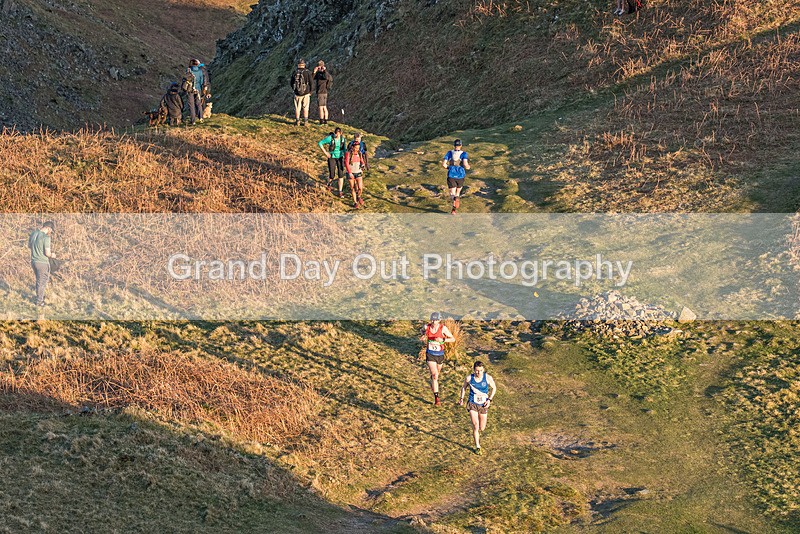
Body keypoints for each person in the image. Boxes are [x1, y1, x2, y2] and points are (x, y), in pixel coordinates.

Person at [459, 361, 496, 454]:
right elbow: (464, 387)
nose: (478, 373)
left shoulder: (487, 378)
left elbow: (494, 388)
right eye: (476, 371)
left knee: (482, 427)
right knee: (476, 425)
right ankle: (477, 446)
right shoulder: (469, 378)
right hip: (472, 403)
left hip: (483, 404)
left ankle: (478, 433)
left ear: (483, 370)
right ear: (474, 370)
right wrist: (461, 398)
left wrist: (489, 400)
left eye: (480, 371)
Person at [420, 312, 455, 406]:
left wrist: (442, 340)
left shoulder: (443, 328)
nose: (433, 321)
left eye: (435, 320)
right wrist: (423, 336)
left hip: (440, 354)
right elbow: (422, 331)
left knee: (437, 375)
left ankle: (433, 380)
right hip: (430, 354)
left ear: (439, 320)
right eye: (432, 319)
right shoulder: (426, 327)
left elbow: (453, 339)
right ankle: (437, 398)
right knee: (435, 375)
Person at [28, 221, 56, 307]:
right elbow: (47, 253)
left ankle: (40, 297)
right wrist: (52, 255)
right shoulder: (46, 237)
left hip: (34, 261)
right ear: (48, 228)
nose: (50, 232)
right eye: (51, 230)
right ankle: (39, 302)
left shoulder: (33, 234)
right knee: (42, 282)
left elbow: (29, 246)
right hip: (42, 263)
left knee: (38, 281)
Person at [442, 139, 470, 214]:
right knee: (458, 192)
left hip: (451, 175)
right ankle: (454, 209)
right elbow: (465, 164)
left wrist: (449, 167)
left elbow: (443, 164)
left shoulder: (449, 153)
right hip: (461, 176)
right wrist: (468, 167)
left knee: (452, 193)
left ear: (454, 145)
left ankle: (454, 199)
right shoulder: (464, 154)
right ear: (461, 145)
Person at [318, 127, 348, 198]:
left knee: (340, 174)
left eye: (338, 135)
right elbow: (320, 143)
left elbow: (345, 149)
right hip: (332, 157)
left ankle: (340, 191)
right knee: (332, 174)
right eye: (336, 135)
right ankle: (329, 184)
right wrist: (326, 153)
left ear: (341, 133)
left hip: (340, 157)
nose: (337, 136)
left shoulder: (343, 140)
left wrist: (346, 158)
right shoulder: (330, 138)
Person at [344, 132, 370, 208]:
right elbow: (346, 163)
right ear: (353, 147)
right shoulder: (348, 154)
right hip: (351, 172)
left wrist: (363, 164)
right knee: (352, 188)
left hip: (358, 172)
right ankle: (355, 202)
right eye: (356, 148)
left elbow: (362, 160)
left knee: (360, 188)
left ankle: (359, 196)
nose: (357, 149)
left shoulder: (359, 153)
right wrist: (349, 173)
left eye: (358, 148)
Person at [184, 58, 210, 125]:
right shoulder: (200, 71)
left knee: (191, 105)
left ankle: (193, 121)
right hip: (198, 89)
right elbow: (202, 81)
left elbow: (185, 79)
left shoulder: (189, 70)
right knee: (198, 104)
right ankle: (201, 118)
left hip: (190, 89)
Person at [290, 59, 313, 126]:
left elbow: (291, 83)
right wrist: (311, 91)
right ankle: (306, 122)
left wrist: (294, 90)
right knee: (305, 107)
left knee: (297, 108)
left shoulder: (295, 72)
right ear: (304, 65)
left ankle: (297, 121)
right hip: (306, 93)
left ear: (298, 65)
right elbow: (311, 83)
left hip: (297, 94)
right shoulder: (307, 72)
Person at [313, 60, 333, 125]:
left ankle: (321, 121)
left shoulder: (323, 74)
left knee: (321, 107)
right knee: (324, 106)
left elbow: (325, 77)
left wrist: (323, 71)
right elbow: (313, 77)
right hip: (325, 92)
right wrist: (315, 72)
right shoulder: (323, 73)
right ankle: (326, 121)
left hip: (321, 92)